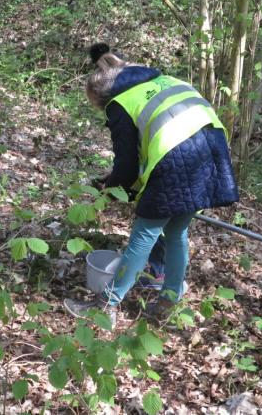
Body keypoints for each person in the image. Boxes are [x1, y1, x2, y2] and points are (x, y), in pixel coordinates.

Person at [65, 43, 239, 327]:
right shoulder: (163, 80)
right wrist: (121, 184)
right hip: (211, 154)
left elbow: (127, 165)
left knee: (144, 234)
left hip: (178, 160)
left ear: (100, 95)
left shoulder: (119, 103)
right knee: (177, 231)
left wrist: (114, 190)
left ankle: (105, 304)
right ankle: (169, 302)